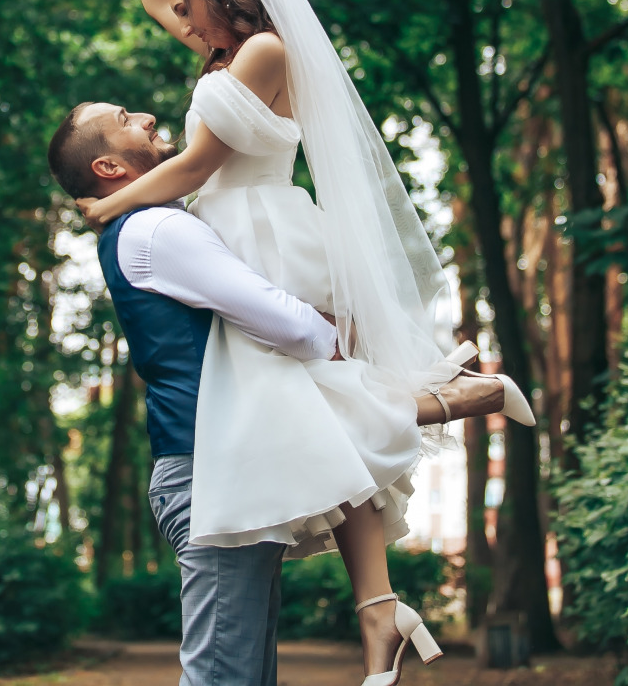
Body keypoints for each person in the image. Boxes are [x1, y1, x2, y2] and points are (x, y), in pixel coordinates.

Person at [70, 0, 533, 684]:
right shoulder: (222, 47)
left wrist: (109, 207)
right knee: (312, 420)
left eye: (190, 4)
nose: (177, 21)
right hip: (233, 225)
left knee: (312, 389)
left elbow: (195, 166)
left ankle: (449, 400)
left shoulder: (262, 51)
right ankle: (379, 609)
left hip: (263, 229)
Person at [47, 104, 441, 685]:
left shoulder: (142, 228)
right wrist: (352, 334)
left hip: (220, 467)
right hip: (211, 472)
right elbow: (291, 326)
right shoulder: (158, 228)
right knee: (221, 677)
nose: (149, 116)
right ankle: (446, 401)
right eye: (126, 118)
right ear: (107, 166)